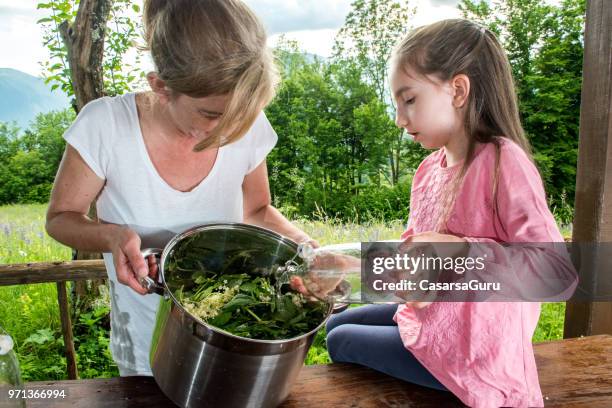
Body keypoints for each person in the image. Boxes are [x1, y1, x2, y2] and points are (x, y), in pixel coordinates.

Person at [45, 0, 315, 376]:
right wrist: (112, 236)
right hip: (146, 340)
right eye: (211, 115)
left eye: (243, 116)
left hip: (230, 333)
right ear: (161, 87)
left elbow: (256, 210)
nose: (230, 131)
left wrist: (309, 251)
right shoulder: (105, 126)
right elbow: (61, 218)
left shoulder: (240, 120)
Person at [323, 19, 575, 407]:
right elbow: (413, 263)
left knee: (340, 339)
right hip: (437, 317)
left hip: (477, 348)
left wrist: (461, 249)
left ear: (458, 90)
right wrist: (350, 268)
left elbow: (556, 273)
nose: (399, 119)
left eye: (409, 100)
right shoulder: (427, 172)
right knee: (337, 320)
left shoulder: (503, 162)